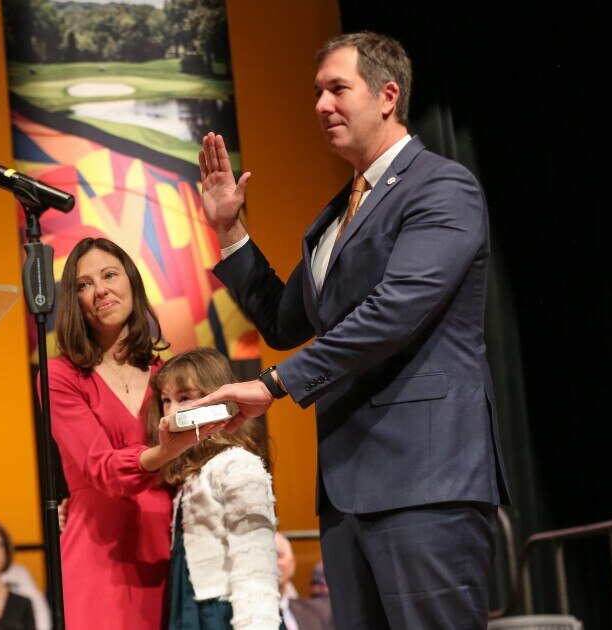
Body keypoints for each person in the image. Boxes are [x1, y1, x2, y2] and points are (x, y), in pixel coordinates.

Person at [195, 32, 510, 628]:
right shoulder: (341, 212)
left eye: (337, 89)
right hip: (347, 492)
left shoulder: (442, 187)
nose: (320, 105)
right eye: (317, 92)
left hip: (426, 483)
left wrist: (272, 385)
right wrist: (230, 231)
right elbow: (283, 321)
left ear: (388, 96)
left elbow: (393, 312)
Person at [45, 237, 224, 629]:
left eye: (110, 275)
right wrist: (162, 453)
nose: (100, 290)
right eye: (84, 284)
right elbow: (99, 468)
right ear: (74, 301)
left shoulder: (169, 376)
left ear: (131, 282)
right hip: (97, 555)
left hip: (174, 550)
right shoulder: (60, 375)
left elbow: (207, 458)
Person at [146, 348, 282, 629]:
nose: (172, 411)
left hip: (225, 613)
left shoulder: (238, 465)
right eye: (166, 401)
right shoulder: (189, 476)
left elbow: (255, 564)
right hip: (189, 607)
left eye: (184, 398)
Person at [274, 533, 333, 630]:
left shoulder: (320, 613)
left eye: (278, 555)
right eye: (263, 557)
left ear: (292, 563)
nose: (272, 562)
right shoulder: (246, 615)